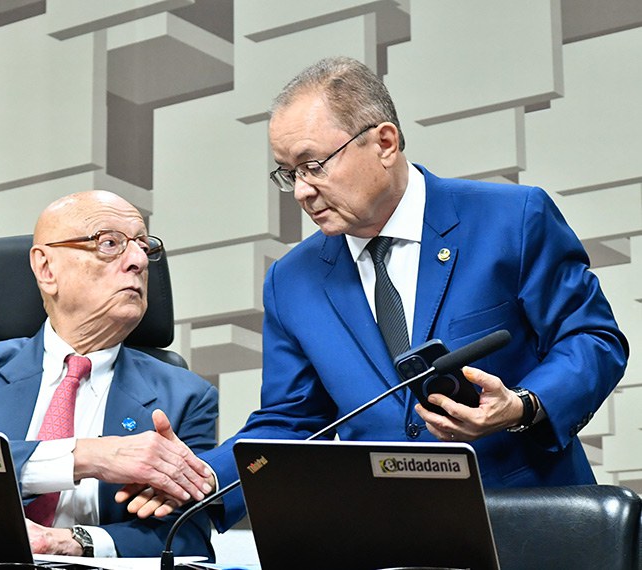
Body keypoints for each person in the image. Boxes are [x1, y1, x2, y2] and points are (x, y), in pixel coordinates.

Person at [121, 56, 629, 533]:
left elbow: (593, 340)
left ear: (384, 142)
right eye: (288, 173)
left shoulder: (512, 219)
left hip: (529, 525)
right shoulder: (292, 281)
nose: (301, 190)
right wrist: (201, 477)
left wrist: (522, 405)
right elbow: (292, 422)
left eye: (313, 165)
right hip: (389, 534)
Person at [0, 190, 217, 558]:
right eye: (110, 243)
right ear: (47, 269)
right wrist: (88, 456)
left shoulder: (185, 396)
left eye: (143, 246)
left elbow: (189, 538)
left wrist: (75, 542)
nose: (139, 260)